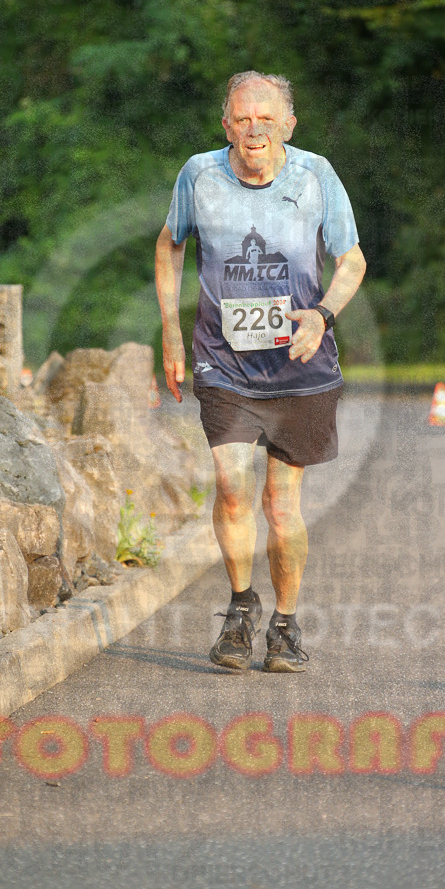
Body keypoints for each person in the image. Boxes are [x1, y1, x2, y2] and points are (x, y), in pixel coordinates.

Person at [155, 71, 366, 672]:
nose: (254, 130)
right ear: (226, 125)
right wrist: (170, 328)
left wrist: (322, 315)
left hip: (299, 365)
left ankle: (286, 624)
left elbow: (351, 260)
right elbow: (170, 245)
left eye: (266, 119)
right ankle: (242, 606)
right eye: (243, 119)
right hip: (223, 362)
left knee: (280, 503)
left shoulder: (316, 175)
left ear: (288, 126)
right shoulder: (199, 175)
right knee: (230, 486)